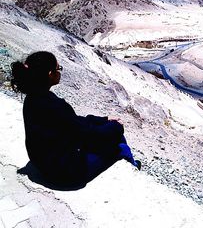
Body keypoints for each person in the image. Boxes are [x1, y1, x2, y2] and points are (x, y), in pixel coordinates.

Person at [11, 51, 140, 186]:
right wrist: (116, 127)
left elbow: (73, 122)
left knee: (108, 130)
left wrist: (104, 119)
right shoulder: (56, 105)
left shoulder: (33, 99)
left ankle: (131, 162)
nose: (60, 72)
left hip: (44, 165)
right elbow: (87, 134)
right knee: (121, 145)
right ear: (50, 74)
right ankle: (134, 165)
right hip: (67, 173)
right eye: (58, 69)